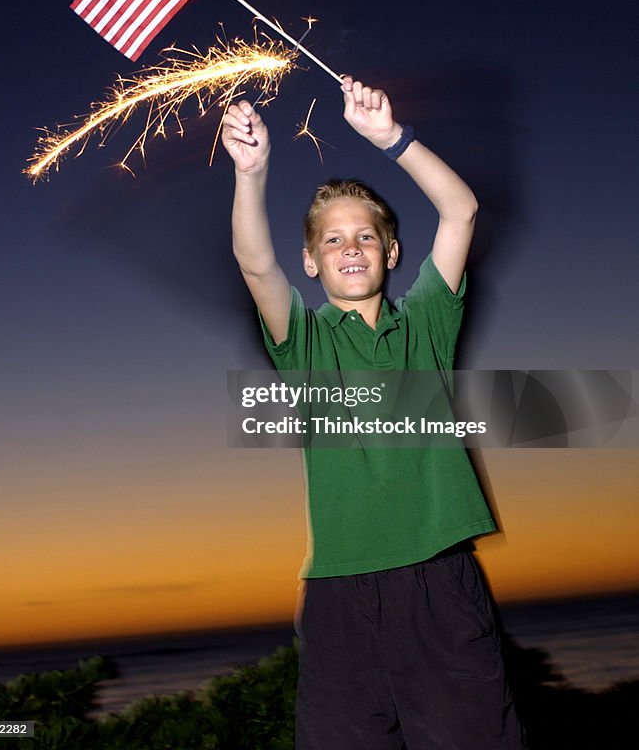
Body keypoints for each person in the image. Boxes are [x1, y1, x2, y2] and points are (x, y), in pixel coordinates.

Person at [221, 76, 526, 749]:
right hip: (336, 596)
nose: (349, 247)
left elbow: (460, 211)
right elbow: (252, 261)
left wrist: (392, 139)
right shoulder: (303, 343)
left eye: (364, 236)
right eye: (331, 241)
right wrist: (252, 172)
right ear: (309, 262)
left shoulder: (426, 324)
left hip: (438, 584)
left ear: (390, 254)